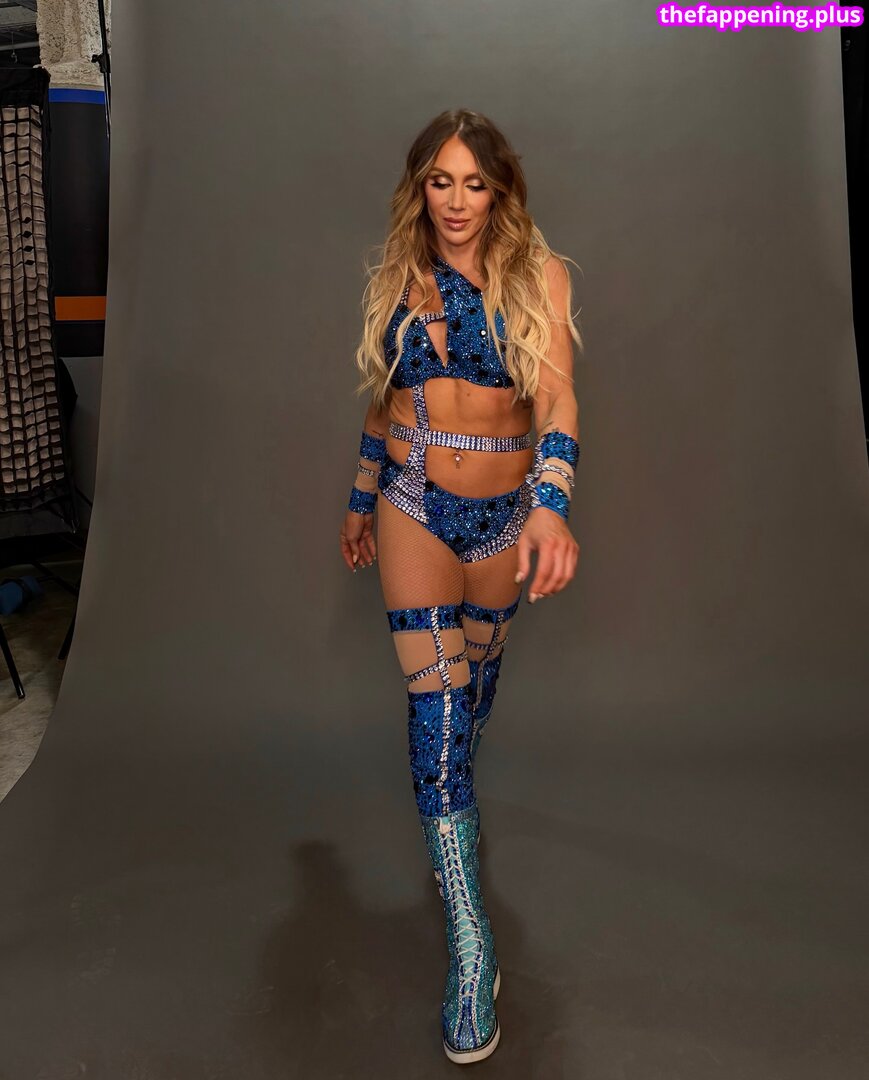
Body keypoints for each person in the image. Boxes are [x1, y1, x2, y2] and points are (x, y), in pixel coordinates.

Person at [339, 108, 582, 1064]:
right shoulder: (399, 273)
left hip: (504, 520)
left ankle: (455, 817)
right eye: (439, 181)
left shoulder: (538, 275)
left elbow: (557, 394)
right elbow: (385, 397)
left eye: (473, 183)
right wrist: (360, 498)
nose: (455, 201)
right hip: (411, 505)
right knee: (434, 713)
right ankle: (470, 946)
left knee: (471, 693)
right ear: (420, 187)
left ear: (499, 190)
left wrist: (551, 505)